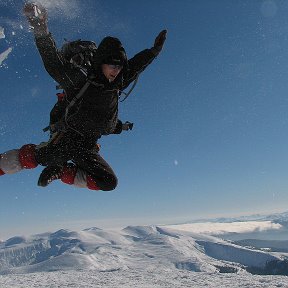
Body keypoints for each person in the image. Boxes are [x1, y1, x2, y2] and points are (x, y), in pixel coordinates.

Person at [0, 2, 167, 191]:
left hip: (87, 146)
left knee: (108, 182)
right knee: (33, 158)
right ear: (100, 63)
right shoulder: (80, 81)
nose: (116, 70)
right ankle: (50, 165)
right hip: (67, 139)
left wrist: (154, 51)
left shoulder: (117, 83)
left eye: (119, 66)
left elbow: (136, 66)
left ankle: (61, 171)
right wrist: (40, 27)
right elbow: (52, 61)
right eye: (112, 65)